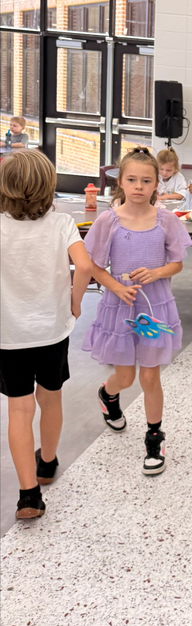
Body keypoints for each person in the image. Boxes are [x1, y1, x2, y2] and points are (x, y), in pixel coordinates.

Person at [82, 148, 192, 475]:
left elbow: (177, 263)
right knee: (127, 376)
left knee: (149, 375)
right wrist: (115, 286)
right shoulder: (108, 221)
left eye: (146, 180)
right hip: (120, 306)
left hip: (155, 307)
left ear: (158, 183)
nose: (139, 186)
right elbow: (95, 266)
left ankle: (153, 439)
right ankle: (108, 392)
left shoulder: (166, 220)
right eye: (132, 179)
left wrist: (157, 272)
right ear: (121, 181)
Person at [0, 151, 92, 519]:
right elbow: (83, 265)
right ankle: (48, 462)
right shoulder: (62, 223)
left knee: (19, 409)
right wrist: (75, 300)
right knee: (50, 398)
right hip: (52, 330)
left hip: (9, 334)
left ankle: (29, 495)